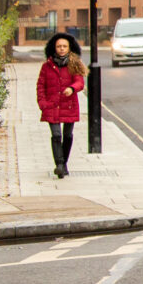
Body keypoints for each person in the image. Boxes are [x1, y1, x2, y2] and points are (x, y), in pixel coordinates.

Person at [36, 32, 86, 180]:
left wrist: (72, 88)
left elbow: (80, 82)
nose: (62, 49)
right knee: (56, 135)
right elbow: (40, 85)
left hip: (69, 104)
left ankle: (64, 163)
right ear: (54, 48)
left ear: (70, 48)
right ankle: (59, 164)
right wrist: (42, 103)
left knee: (68, 135)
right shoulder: (46, 66)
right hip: (52, 105)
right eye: (59, 46)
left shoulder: (74, 64)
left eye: (64, 46)